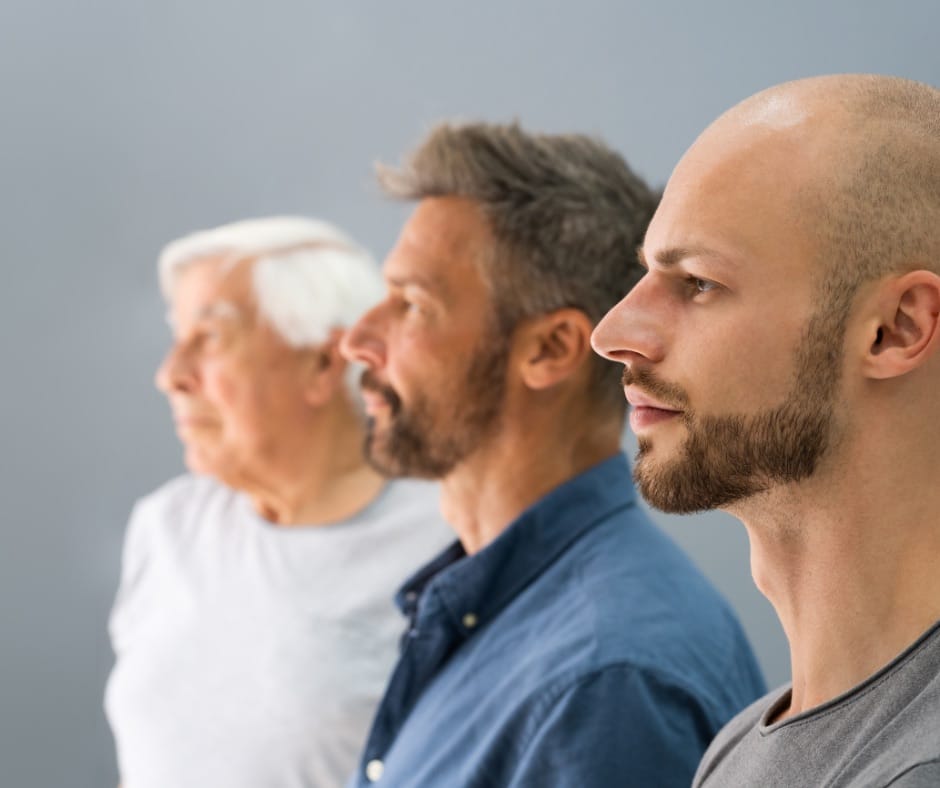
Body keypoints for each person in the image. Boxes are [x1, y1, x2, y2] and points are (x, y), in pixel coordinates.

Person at [340, 122, 766, 787]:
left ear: (550, 349)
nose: (358, 339)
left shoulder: (608, 685)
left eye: (412, 304)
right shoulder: (499, 616)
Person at [592, 74, 940, 787]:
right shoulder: (740, 746)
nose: (612, 332)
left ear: (895, 329)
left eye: (698, 283)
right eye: (645, 275)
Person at [105, 216, 452, 788]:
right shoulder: (168, 527)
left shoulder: (449, 544)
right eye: (178, 337)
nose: (171, 375)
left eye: (210, 338)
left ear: (324, 363)